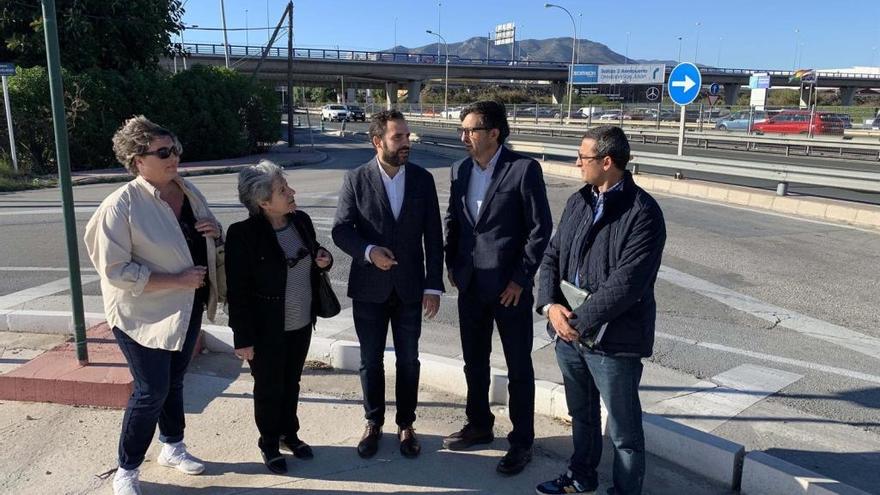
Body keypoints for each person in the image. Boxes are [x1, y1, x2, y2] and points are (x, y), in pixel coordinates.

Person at [84, 116, 224, 495]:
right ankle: (126, 469)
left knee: (174, 381)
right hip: (139, 314)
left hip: (187, 305)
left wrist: (216, 231)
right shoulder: (120, 206)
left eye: (175, 148)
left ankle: (172, 446)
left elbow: (206, 234)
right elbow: (114, 270)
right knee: (150, 391)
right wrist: (175, 280)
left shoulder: (188, 190)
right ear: (136, 159)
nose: (173, 157)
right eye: (163, 152)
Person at [534, 126, 666, 495]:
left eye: (584, 157)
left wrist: (576, 321)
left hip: (614, 340)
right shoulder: (579, 201)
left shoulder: (643, 214)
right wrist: (550, 307)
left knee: (624, 431)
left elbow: (627, 285)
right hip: (568, 333)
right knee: (583, 416)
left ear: (607, 162)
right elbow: (551, 257)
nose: (577, 163)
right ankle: (581, 476)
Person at [442, 100, 553, 475]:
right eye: (462, 130)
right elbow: (454, 222)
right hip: (471, 285)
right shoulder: (459, 169)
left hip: (510, 289)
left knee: (518, 366)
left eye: (470, 130)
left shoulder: (523, 170)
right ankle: (479, 424)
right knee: (474, 362)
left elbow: (540, 231)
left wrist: (521, 279)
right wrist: (451, 264)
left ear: (494, 133)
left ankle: (521, 441)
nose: (464, 137)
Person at [332, 109, 444, 460]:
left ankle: (406, 424)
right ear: (378, 141)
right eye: (399, 137)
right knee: (370, 360)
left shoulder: (423, 179)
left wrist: (433, 285)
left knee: (409, 361)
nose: (407, 142)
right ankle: (373, 422)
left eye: (408, 136)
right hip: (369, 288)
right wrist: (367, 251)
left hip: (411, 288)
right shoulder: (355, 179)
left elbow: (434, 237)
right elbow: (340, 229)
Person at [225, 161, 333, 475]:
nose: (292, 193)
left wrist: (323, 260)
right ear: (263, 202)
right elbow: (238, 290)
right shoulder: (242, 235)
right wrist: (242, 338)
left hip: (301, 322)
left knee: (292, 382)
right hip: (265, 327)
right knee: (269, 387)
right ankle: (269, 443)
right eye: (283, 190)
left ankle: (290, 434)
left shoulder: (301, 220)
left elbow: (315, 255)